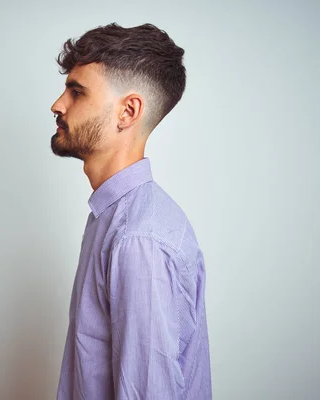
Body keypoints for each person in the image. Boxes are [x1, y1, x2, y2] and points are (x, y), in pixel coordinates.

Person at [51, 23, 211, 400]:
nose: (58, 104)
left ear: (128, 111)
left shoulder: (138, 238)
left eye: (76, 92)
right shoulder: (112, 219)